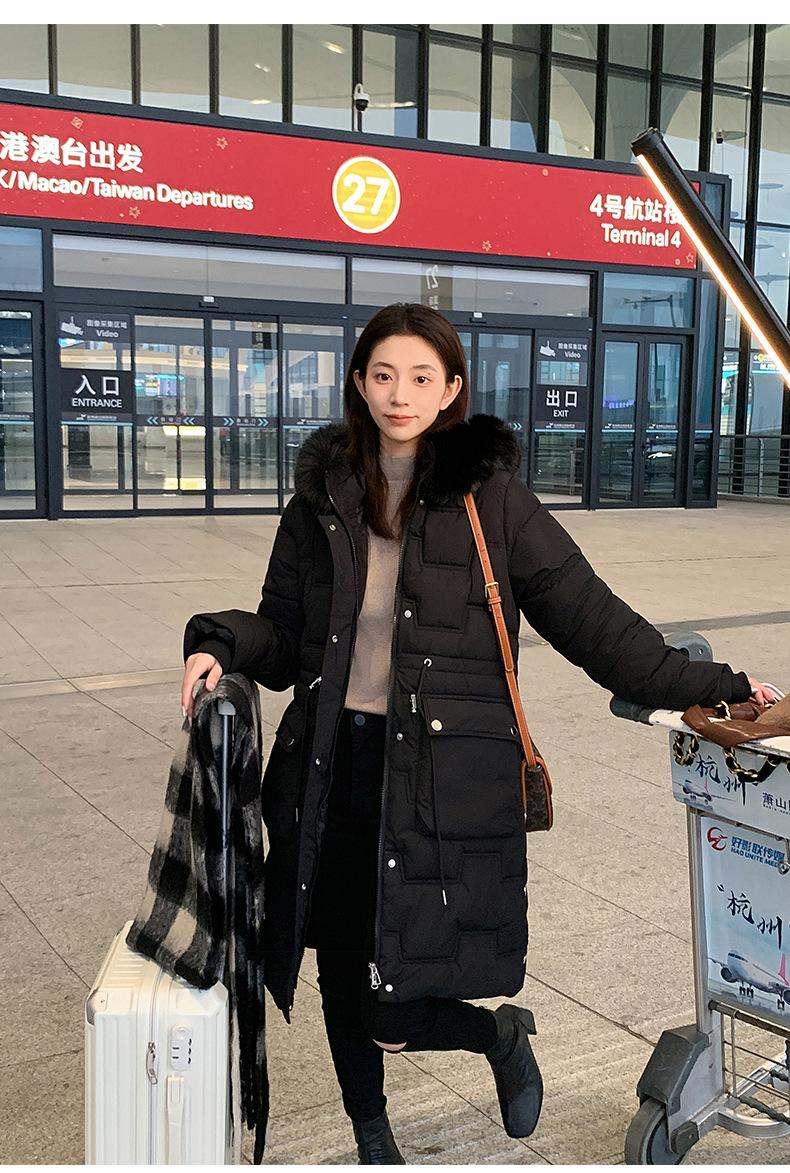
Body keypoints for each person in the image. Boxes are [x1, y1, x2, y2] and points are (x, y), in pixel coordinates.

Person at [181, 303, 776, 1164]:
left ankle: (496, 1035)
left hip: (438, 780)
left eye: (421, 377)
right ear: (359, 383)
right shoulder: (322, 498)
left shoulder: (490, 499)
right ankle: (374, 1141)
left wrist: (717, 686)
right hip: (330, 767)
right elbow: (284, 632)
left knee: (392, 1003)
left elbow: (595, 624)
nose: (400, 394)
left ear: (451, 388)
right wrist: (221, 642)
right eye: (384, 374)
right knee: (342, 971)